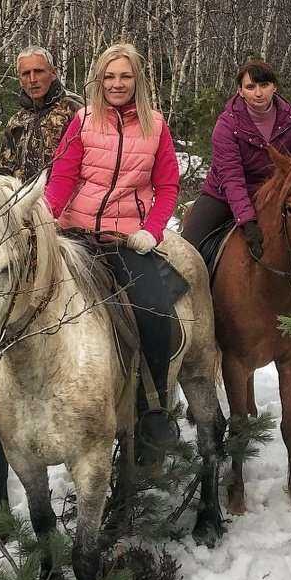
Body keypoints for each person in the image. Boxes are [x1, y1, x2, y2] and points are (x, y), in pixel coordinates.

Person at [43, 42, 181, 449]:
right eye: (109, 76)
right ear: (98, 80)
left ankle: (153, 405)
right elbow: (64, 176)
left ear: (137, 79)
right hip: (76, 233)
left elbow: (168, 185)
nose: (116, 84)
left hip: (124, 238)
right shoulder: (84, 121)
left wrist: (152, 230)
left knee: (156, 309)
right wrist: (47, 217)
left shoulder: (156, 126)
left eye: (124, 76)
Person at [181, 59, 291, 260]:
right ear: (240, 91)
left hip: (273, 194)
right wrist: (247, 221)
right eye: (251, 87)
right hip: (223, 194)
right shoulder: (226, 125)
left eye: (264, 85)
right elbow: (232, 177)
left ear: (274, 87)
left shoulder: (290, 120)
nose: (258, 93)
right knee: (186, 251)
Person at [0, 46, 82, 182]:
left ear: (53, 73)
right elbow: (3, 173)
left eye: (39, 71)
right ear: (20, 79)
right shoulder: (16, 121)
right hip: (21, 200)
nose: (32, 79)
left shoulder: (76, 111)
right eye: (26, 73)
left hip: (63, 199)